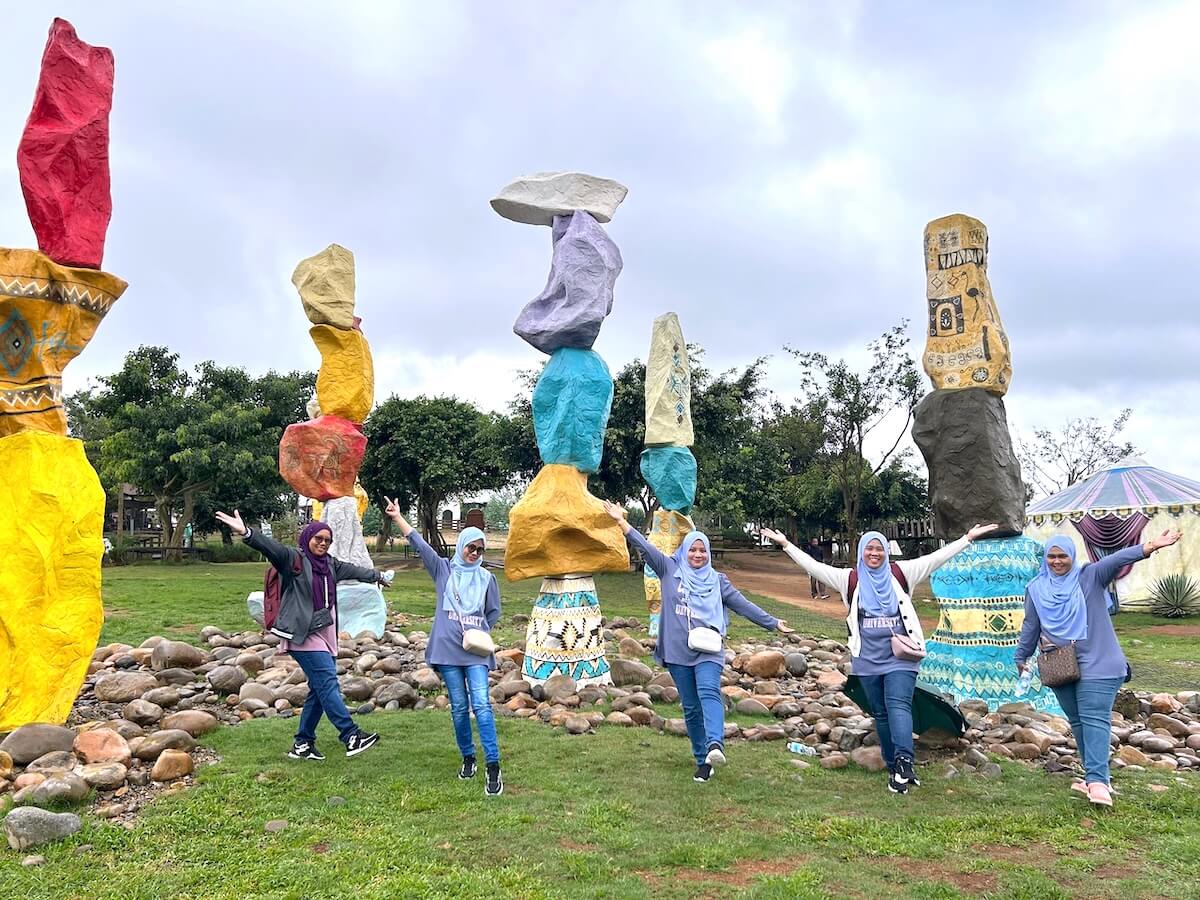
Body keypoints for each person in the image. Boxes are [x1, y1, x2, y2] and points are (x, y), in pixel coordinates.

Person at [761, 523, 997, 794]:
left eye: (880, 549)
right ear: (862, 552)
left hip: (901, 657)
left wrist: (966, 538)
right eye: (870, 549)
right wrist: (786, 544)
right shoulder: (850, 579)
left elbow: (935, 559)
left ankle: (905, 762)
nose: (875, 554)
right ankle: (893, 764)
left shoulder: (901, 573)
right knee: (881, 713)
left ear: (887, 551)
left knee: (898, 705)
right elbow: (814, 566)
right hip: (867, 659)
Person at [604, 501, 794, 783]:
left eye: (702, 550)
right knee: (691, 707)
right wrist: (621, 521)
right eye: (692, 549)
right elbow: (645, 546)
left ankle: (715, 744)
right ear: (684, 550)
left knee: (709, 692)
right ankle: (701, 760)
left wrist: (773, 622)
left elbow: (743, 605)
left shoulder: (718, 581)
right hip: (679, 651)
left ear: (708, 554)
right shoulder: (669, 569)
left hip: (709, 649)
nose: (697, 554)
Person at [1015, 529, 1182, 808]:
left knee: (1093, 718)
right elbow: (1031, 625)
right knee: (1078, 721)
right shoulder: (1035, 588)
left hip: (1099, 662)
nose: (1057, 562)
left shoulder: (1089, 576)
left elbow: (1116, 560)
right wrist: (1021, 656)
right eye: (1051, 557)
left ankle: (1098, 784)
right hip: (1059, 663)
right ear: (1045, 559)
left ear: (1072, 556)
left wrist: (1150, 546)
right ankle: (1095, 776)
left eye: (1063, 556)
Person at [214, 509, 388, 760]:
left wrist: (378, 576)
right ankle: (350, 735)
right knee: (327, 683)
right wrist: (247, 533)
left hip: (324, 631)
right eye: (318, 538)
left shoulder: (329, 564)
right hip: (303, 633)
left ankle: (302, 744)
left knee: (319, 690)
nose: (323, 543)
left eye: (327, 540)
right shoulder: (293, 560)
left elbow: (353, 570)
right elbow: (270, 547)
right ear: (307, 539)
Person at [384, 498, 505, 797]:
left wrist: (478, 630)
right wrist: (399, 517)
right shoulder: (443, 570)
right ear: (461, 546)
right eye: (470, 548)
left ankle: (493, 765)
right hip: (448, 652)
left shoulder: (487, 578)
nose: (475, 554)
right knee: (460, 708)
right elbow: (420, 544)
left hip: (475, 652)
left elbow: (493, 612)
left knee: (482, 706)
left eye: (480, 549)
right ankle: (468, 758)